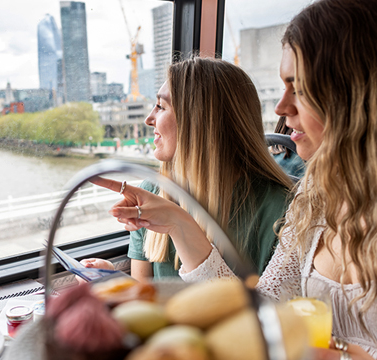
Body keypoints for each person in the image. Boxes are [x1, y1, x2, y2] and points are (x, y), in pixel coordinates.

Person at [93, 0, 377, 358]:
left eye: (298, 88)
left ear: (361, 96)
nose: (281, 108)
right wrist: (179, 223)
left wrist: (336, 352)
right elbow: (261, 309)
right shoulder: (318, 193)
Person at [83, 57, 292, 280]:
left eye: (161, 107)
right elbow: (145, 299)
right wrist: (113, 281)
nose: (148, 119)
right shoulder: (152, 192)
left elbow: (266, 310)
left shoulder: (282, 211)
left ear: (198, 121)